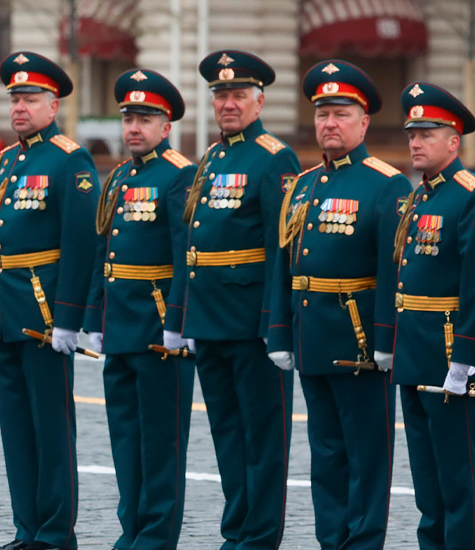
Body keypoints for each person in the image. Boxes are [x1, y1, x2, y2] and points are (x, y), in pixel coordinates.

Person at [266, 60, 411, 550]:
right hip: (312, 337)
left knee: (366, 456)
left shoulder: (386, 184)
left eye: (342, 114)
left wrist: (388, 341)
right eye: (323, 113)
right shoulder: (304, 185)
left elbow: (394, 273)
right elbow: (284, 265)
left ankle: (364, 543)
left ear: (364, 122)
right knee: (325, 455)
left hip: (359, 342)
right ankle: (332, 541)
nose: (330, 123)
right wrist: (280, 331)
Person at [0, 51, 99, 550]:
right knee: (17, 431)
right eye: (15, 99)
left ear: (54, 105)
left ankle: (54, 533)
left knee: (51, 432)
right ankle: (26, 529)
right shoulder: (8, 159)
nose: (20, 107)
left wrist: (70, 318)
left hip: (44, 315)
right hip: (5, 312)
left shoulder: (70, 159)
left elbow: (81, 244)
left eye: (30, 99)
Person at [182, 50, 299, 549]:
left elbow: (282, 248)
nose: (228, 104)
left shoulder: (275, 157)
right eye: (221, 96)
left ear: (259, 101)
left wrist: (276, 324)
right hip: (210, 319)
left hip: (252, 321)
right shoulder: (214, 156)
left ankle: (259, 538)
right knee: (228, 436)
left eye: (237, 96)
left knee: (264, 440)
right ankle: (237, 533)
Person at [83, 68, 195, 550]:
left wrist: (178, 322)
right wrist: (93, 318)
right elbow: (103, 252)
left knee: (162, 444)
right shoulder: (120, 176)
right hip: (120, 327)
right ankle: (132, 530)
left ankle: (156, 536)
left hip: (156, 331)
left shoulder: (179, 174)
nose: (134, 127)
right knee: (125, 441)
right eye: (129, 117)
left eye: (146, 118)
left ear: (166, 126)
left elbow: (183, 255)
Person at [384, 82, 475, 550]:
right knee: (428, 488)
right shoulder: (420, 196)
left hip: (450, 357)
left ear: (454, 141)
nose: (415, 142)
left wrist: (468, 358)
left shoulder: (474, 196)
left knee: (458, 483)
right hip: (415, 352)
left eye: (428, 133)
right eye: (413, 133)